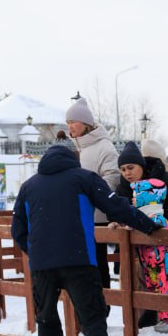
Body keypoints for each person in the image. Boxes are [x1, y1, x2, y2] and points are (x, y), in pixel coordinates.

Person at [11, 137, 162, 336]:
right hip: (79, 261)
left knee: (46, 317)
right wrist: (148, 226)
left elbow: (18, 230)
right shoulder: (83, 178)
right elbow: (115, 206)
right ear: (74, 157)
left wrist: (36, 252)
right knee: (92, 319)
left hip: (42, 266)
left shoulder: (29, 186)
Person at [66, 98, 123, 292]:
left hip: (97, 216)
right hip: (79, 215)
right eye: (67, 123)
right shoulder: (79, 147)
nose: (70, 127)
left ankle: (103, 305)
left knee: (97, 265)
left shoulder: (104, 147)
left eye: (73, 121)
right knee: (83, 266)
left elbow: (113, 178)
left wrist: (90, 197)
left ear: (86, 123)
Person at [116, 143, 168, 334]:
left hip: (157, 252)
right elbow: (118, 211)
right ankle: (145, 320)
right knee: (149, 281)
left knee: (162, 281)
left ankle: (167, 318)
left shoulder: (157, 206)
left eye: (130, 167)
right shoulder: (123, 188)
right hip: (141, 252)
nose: (126, 173)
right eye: (123, 169)